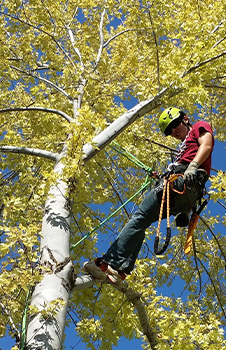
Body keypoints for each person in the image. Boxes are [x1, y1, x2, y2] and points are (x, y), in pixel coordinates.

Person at [84, 107, 215, 284]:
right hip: (185, 190)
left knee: (139, 217)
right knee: (141, 221)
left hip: (185, 180)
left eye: (175, 124)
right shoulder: (183, 148)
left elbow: (206, 145)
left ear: (185, 118)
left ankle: (108, 264)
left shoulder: (200, 126)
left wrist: (192, 166)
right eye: (169, 131)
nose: (173, 131)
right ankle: (121, 270)